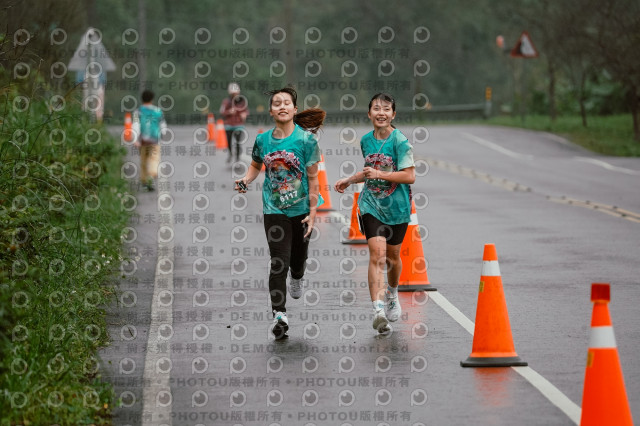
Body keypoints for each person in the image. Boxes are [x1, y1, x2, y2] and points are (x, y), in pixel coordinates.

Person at [235, 86, 325, 339]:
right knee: (278, 261)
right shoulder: (262, 140)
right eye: (277, 103)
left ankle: (298, 275)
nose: (282, 106)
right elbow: (255, 165)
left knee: (297, 260)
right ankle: (279, 315)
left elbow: (313, 178)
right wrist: (246, 179)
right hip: (274, 209)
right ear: (271, 111)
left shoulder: (306, 141)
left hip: (301, 209)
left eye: (286, 103)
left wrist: (313, 211)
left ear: (294, 110)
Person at [334, 93, 415, 334]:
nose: (381, 113)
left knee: (392, 257)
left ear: (393, 114)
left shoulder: (400, 142)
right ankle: (378, 311)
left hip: (397, 207)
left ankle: (392, 293)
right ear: (369, 113)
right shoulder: (366, 141)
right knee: (377, 255)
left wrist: (381, 174)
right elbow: (369, 171)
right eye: (376, 109)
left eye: (386, 109)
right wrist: (350, 180)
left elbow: (409, 175)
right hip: (371, 205)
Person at [132, 89, 166, 191]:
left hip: (142, 141)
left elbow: (135, 125)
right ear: (152, 99)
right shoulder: (158, 111)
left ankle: (144, 181)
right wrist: (163, 134)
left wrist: (135, 140)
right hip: (155, 140)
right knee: (154, 159)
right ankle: (151, 175)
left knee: (143, 161)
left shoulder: (138, 111)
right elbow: (163, 125)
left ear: (142, 99)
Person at [220, 82, 249, 163]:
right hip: (228, 125)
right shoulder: (226, 102)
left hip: (239, 125)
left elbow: (246, 111)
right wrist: (229, 112)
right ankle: (230, 153)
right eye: (233, 93)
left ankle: (237, 158)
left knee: (238, 142)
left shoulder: (242, 101)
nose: (235, 94)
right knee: (229, 142)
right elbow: (222, 112)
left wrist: (244, 114)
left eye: (236, 93)